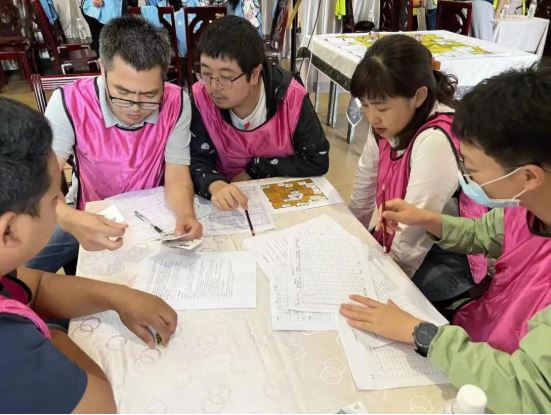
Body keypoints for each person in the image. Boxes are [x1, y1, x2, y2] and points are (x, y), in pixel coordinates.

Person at [341, 64, 551, 413]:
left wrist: (421, 333)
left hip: (498, 381)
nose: (465, 178)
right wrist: (430, 220)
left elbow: (527, 391)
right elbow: (486, 233)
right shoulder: (526, 205)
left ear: (528, 176)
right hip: (482, 333)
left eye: (472, 169)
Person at [0, 97, 178, 413]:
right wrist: (53, 334)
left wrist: (118, 296)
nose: (62, 204)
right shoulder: (10, 347)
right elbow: (98, 405)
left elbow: (35, 285)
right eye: (54, 198)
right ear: (9, 231)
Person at [28, 16, 202, 273]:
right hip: (86, 212)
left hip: (150, 214)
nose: (135, 108)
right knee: (21, 269)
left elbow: (177, 176)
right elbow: (40, 179)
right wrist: (66, 217)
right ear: (102, 69)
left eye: (150, 95)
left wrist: (185, 214)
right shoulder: (69, 102)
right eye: (123, 94)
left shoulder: (177, 102)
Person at [348, 34, 487, 305]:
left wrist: (387, 285)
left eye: (382, 107)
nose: (372, 117)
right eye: (364, 105)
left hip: (448, 254)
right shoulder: (385, 125)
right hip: (404, 235)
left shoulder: (435, 139)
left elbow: (415, 232)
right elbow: (364, 187)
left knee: (375, 295)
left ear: (419, 96)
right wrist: (354, 236)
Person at [190, 16, 329, 211]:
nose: (213, 87)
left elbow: (317, 160)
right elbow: (196, 159)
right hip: (226, 203)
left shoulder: (291, 98)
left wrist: (257, 168)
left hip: (279, 199)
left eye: (226, 77)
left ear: (254, 74)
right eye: (206, 74)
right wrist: (215, 185)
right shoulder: (200, 98)